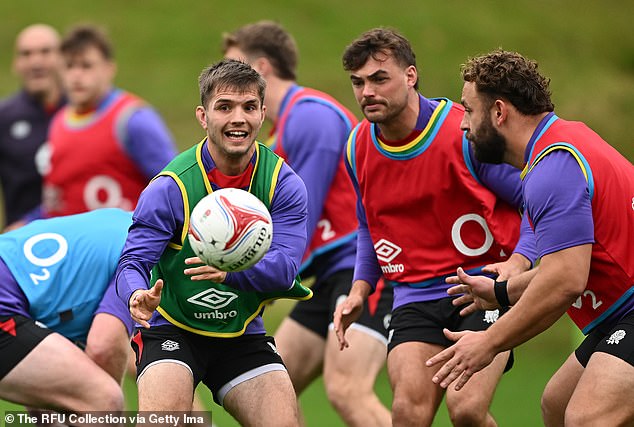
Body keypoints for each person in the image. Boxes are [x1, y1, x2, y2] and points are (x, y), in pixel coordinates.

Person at [333, 28, 538, 427]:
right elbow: (367, 222)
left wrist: (520, 260)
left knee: (466, 410)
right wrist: (361, 288)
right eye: (358, 83)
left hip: (481, 290)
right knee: (408, 413)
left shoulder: (465, 134)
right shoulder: (358, 146)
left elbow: (538, 200)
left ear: (410, 76)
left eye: (379, 79)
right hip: (414, 294)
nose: (367, 92)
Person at [426, 49, 634, 427]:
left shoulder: (552, 168)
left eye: (469, 111)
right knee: (557, 404)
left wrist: (487, 344)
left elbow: (565, 282)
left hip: (629, 311)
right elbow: (567, 266)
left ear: (499, 112)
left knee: (588, 417)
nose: (462, 125)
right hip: (621, 313)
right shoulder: (565, 141)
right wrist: (501, 293)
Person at [115, 59, 312, 426]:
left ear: (263, 114)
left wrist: (229, 274)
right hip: (172, 329)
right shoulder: (170, 187)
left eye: (249, 107)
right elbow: (132, 263)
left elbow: (286, 271)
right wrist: (135, 294)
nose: (238, 117)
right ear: (203, 117)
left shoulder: (282, 184)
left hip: (241, 333)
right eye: (225, 107)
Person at [222, 21, 392, 426]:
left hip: (362, 270)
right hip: (330, 276)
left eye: (232, 69)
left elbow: (300, 221)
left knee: (348, 390)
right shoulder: (280, 134)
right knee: (270, 388)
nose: (222, 85)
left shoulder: (310, 115)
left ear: (260, 67)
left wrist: (250, 282)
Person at [6, 24, 177, 228]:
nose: (77, 75)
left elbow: (174, 190)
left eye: (86, 66)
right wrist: (27, 223)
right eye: (69, 66)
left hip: (122, 252)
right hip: (74, 252)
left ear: (109, 69)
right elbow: (60, 200)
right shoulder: (59, 122)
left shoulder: (132, 119)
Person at [0, 208, 134, 414]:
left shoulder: (122, 220)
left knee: (57, 406)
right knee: (103, 401)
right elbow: (104, 348)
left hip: (12, 295)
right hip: (6, 300)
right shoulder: (145, 252)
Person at [0, 24, 64, 229]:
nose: (36, 62)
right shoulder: (4, 117)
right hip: (22, 242)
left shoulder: (85, 112)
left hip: (79, 239)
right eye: (26, 54)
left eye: (45, 52)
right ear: (16, 64)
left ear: (63, 58)